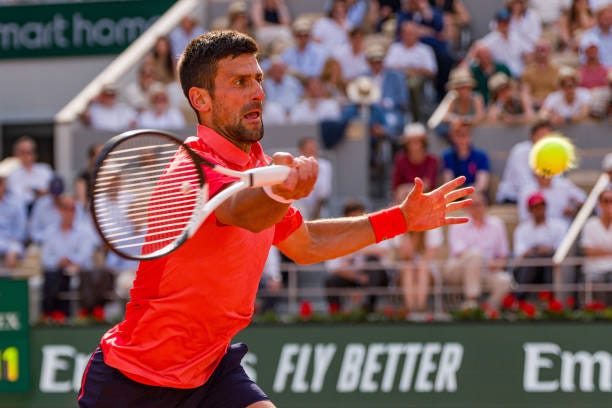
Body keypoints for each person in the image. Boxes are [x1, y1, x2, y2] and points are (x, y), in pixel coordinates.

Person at [77, 30, 472, 408]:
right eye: (240, 82)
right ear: (201, 98)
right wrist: (279, 192)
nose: (258, 93)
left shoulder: (255, 163)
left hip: (210, 370)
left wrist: (401, 219)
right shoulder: (190, 172)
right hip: (133, 382)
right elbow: (242, 213)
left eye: (258, 79)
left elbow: (307, 245)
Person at [445, 192, 512, 310]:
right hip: (458, 269)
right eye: (472, 205)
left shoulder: (497, 225)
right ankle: (472, 301)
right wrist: (484, 260)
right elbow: (459, 252)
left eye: (478, 204)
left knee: (505, 280)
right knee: (474, 256)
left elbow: (503, 256)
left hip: (484, 271)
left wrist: (497, 264)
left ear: (485, 205)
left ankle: (487, 312)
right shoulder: (457, 224)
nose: (475, 208)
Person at [324, 199, 393, 314]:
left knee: (374, 264)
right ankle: (335, 314)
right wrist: (357, 277)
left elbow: (385, 252)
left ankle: (369, 311)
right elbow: (334, 267)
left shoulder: (376, 230)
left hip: (375, 277)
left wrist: (358, 250)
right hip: (353, 277)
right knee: (330, 282)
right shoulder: (337, 237)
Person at [40, 195, 97, 323]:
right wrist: (59, 262)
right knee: (53, 277)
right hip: (57, 273)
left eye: (72, 209)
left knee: (82, 276)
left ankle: (87, 316)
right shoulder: (50, 232)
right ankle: (52, 316)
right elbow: (45, 258)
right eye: (66, 209)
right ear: (59, 211)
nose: (69, 213)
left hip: (80, 272)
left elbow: (85, 254)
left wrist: (71, 260)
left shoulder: (84, 231)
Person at [393, 184, 444, 315]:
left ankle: (420, 309)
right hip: (405, 271)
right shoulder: (396, 225)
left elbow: (430, 255)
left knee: (422, 266)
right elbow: (404, 255)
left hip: (427, 271)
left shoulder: (432, 223)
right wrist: (408, 229)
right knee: (409, 267)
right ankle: (411, 311)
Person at [513, 192, 568, 300]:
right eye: (535, 207)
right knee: (534, 259)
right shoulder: (522, 229)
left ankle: (521, 299)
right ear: (529, 209)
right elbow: (519, 252)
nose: (539, 210)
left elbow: (562, 249)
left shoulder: (559, 226)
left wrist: (545, 250)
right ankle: (523, 299)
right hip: (529, 268)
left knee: (547, 258)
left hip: (550, 266)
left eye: (541, 206)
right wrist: (537, 251)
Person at [384, 20, 438, 121]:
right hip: (398, 79)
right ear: (401, 34)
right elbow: (388, 66)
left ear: (417, 34)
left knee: (412, 85)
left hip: (419, 80)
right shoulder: (395, 48)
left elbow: (432, 71)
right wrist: (409, 70)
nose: (408, 36)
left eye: (411, 33)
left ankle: (415, 119)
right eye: (406, 33)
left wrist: (414, 71)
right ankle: (397, 116)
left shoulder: (425, 50)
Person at [496, 119, 553, 204]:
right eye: (541, 136)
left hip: (540, 197)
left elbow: (555, 181)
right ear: (532, 137)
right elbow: (524, 183)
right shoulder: (520, 151)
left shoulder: (552, 153)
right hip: (512, 197)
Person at [6, 135, 54, 215]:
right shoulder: (11, 174)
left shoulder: (45, 171)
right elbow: (14, 197)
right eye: (22, 152)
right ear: (16, 154)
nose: (26, 156)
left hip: (44, 213)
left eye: (29, 152)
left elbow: (53, 192)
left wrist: (45, 193)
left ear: (35, 154)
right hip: (19, 214)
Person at [580, 186, 612, 304]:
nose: (609, 204)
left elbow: (594, 250)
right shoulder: (591, 224)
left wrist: (600, 251)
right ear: (600, 204)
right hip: (594, 269)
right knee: (597, 280)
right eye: (606, 201)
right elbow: (588, 250)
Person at [442, 119, 490, 194]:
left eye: (465, 135)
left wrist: (468, 192)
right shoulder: (447, 156)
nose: (462, 139)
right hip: (457, 196)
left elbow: (482, 185)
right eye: (459, 135)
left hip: (475, 195)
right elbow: (448, 184)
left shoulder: (481, 156)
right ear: (452, 137)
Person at [391, 122, 439, 195]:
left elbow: (428, 184)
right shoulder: (400, 160)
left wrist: (407, 189)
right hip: (405, 199)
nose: (414, 146)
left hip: (427, 197)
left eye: (418, 141)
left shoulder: (432, 160)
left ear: (423, 143)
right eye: (411, 142)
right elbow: (396, 187)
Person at [293, 137, 333, 220]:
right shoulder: (293, 167)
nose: (313, 151)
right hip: (298, 210)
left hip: (320, 212)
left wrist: (316, 213)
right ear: (301, 151)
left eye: (314, 148)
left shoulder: (324, 166)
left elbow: (323, 193)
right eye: (309, 149)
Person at [520, 38, 561, 110]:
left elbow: (559, 92)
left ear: (549, 51)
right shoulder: (527, 71)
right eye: (539, 49)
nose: (541, 52)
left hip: (553, 105)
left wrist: (548, 102)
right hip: (535, 104)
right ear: (535, 52)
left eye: (544, 49)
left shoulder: (557, 70)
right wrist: (534, 102)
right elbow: (526, 92)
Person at [0, 171, 27, 269]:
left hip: (11, 241)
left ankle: (10, 283)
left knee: (13, 252)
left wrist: (10, 245)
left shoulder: (16, 203)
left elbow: (20, 231)